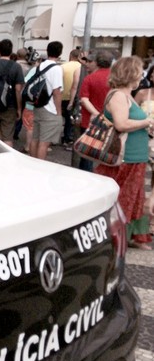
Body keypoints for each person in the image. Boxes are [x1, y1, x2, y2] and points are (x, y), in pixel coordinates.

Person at [95, 56, 152, 250]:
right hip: (124, 158)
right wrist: (146, 122)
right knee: (122, 200)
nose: (141, 75)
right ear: (131, 74)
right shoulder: (118, 95)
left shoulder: (126, 95)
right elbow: (121, 124)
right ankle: (115, 238)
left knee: (133, 198)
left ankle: (131, 236)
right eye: (139, 71)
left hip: (134, 157)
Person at [78, 51, 114, 171]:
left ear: (97, 62)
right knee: (106, 153)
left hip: (90, 120)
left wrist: (96, 114)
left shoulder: (90, 78)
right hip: (111, 120)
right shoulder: (115, 79)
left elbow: (84, 99)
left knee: (87, 154)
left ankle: (85, 179)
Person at [29, 41, 64, 160]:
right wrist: (59, 112)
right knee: (44, 143)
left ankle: (32, 163)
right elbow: (56, 92)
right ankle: (40, 168)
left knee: (35, 138)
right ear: (60, 52)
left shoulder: (40, 66)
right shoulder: (56, 69)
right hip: (49, 108)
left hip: (38, 105)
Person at [60, 49, 82, 146]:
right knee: (71, 119)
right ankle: (67, 137)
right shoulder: (82, 67)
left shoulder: (63, 67)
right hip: (76, 97)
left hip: (62, 95)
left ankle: (58, 137)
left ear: (70, 56)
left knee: (61, 117)